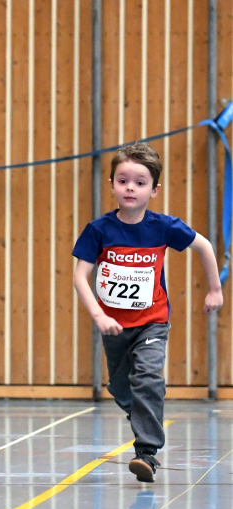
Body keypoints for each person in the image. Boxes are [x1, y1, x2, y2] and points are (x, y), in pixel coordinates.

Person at [72, 143, 223, 483]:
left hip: (152, 322)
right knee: (121, 388)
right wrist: (99, 316)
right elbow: (80, 276)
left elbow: (204, 246)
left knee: (148, 378)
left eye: (140, 183)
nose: (130, 188)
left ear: (153, 190)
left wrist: (215, 289)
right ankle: (141, 412)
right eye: (123, 180)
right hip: (114, 326)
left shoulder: (163, 227)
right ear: (112, 184)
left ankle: (147, 453)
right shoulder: (99, 230)